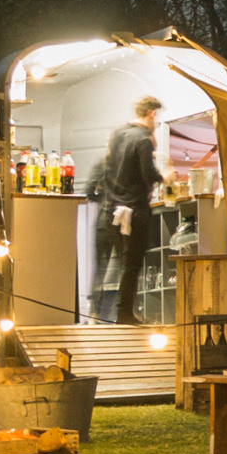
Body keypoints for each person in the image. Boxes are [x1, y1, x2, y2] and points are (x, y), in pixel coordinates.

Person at [83, 97, 162, 326]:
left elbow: (106, 172)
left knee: (115, 266)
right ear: (152, 113)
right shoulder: (143, 140)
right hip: (134, 211)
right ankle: (125, 313)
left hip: (111, 211)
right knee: (131, 265)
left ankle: (102, 313)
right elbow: (148, 175)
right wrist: (163, 176)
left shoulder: (118, 135)